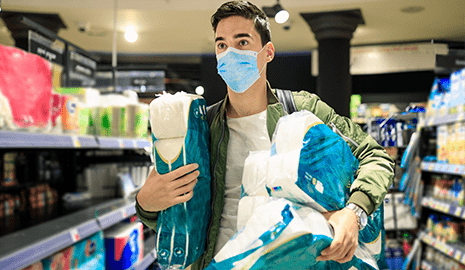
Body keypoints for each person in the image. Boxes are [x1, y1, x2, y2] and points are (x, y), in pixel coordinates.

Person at [135, 1, 395, 269]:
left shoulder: (301, 110)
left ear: (268, 52)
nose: (230, 53)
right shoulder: (202, 126)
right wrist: (145, 205)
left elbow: (374, 156)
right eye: (221, 45)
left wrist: (354, 212)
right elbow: (176, 214)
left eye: (243, 42)